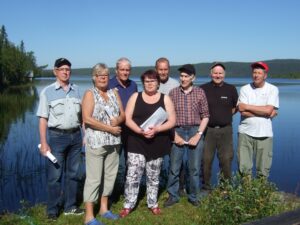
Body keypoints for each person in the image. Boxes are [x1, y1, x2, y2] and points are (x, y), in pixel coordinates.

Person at [119, 70, 176, 218]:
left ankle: (152, 203)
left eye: (152, 81)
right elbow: (127, 119)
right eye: (146, 81)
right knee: (133, 175)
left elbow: (172, 121)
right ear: (143, 83)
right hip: (136, 142)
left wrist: (157, 129)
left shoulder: (165, 99)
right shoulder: (135, 97)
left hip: (157, 143)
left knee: (154, 176)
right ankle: (128, 204)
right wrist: (140, 131)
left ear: (158, 83)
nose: (149, 84)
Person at [36, 58, 84, 220]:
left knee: (73, 174)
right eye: (62, 69)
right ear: (55, 71)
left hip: (76, 137)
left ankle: (70, 206)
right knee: (55, 176)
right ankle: (52, 210)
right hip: (57, 138)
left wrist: (84, 135)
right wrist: (44, 142)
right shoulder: (47, 92)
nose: (65, 72)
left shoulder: (77, 90)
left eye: (68, 69)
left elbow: (82, 117)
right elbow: (43, 118)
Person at [82, 63, 125, 225]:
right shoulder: (89, 94)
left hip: (114, 143)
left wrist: (118, 120)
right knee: (94, 179)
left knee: (110, 176)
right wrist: (109, 128)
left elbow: (123, 114)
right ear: (94, 77)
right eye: (99, 75)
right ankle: (89, 217)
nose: (102, 78)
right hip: (96, 142)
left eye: (105, 75)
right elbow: (87, 119)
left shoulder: (114, 92)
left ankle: (104, 209)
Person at [164, 64, 209, 208]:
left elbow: (206, 116)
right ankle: (173, 195)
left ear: (193, 78)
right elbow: (168, 116)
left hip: (195, 130)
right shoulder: (173, 93)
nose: (183, 79)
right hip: (177, 130)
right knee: (174, 166)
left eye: (186, 76)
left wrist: (198, 135)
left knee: (194, 168)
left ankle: (194, 196)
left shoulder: (200, 92)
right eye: (181, 76)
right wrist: (174, 134)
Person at [200, 62, 238, 192]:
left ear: (224, 74)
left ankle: (225, 188)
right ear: (211, 74)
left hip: (226, 130)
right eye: (215, 73)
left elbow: (235, 108)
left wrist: (224, 116)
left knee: (226, 160)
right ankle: (206, 188)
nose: (218, 75)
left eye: (220, 73)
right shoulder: (202, 89)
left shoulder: (231, 89)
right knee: (206, 160)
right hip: (207, 130)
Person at [237, 61, 279, 179]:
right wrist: (265, 112)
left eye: (259, 73)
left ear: (265, 75)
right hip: (245, 133)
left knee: (263, 170)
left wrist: (248, 106)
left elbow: (268, 110)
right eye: (254, 72)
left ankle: (261, 196)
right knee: (244, 169)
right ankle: (246, 195)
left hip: (265, 134)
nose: (256, 75)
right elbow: (242, 110)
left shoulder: (273, 89)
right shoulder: (245, 89)